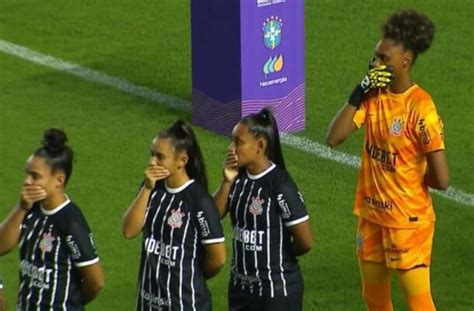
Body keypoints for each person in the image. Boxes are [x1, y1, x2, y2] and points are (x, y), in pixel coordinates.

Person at [326, 9, 449, 311]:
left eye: (384, 59)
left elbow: (441, 179)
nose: (375, 64)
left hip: (407, 223)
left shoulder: (421, 109)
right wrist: (359, 91)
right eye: (375, 56)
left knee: (419, 302)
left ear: (405, 62)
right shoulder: (372, 96)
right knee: (374, 300)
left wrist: (407, 183)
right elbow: (334, 137)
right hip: (371, 217)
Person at [214, 108, 314, 311]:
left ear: (260, 146)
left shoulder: (280, 185)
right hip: (240, 290)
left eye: (238, 142)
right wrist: (226, 182)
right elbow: (212, 219)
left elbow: (306, 241)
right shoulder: (237, 179)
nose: (231, 148)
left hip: (275, 292)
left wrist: (279, 255)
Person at [122, 120, 226, 310]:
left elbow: (218, 258)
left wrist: (192, 275)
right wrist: (146, 188)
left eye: (160, 157)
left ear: (182, 161)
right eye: (152, 154)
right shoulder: (152, 189)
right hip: (147, 303)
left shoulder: (199, 200)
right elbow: (129, 231)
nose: (152, 162)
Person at [0, 128, 104, 310]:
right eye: (27, 174)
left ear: (59, 180)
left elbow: (95, 282)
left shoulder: (70, 220)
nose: (27, 181)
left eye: (35, 176)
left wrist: (70, 302)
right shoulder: (30, 209)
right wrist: (22, 207)